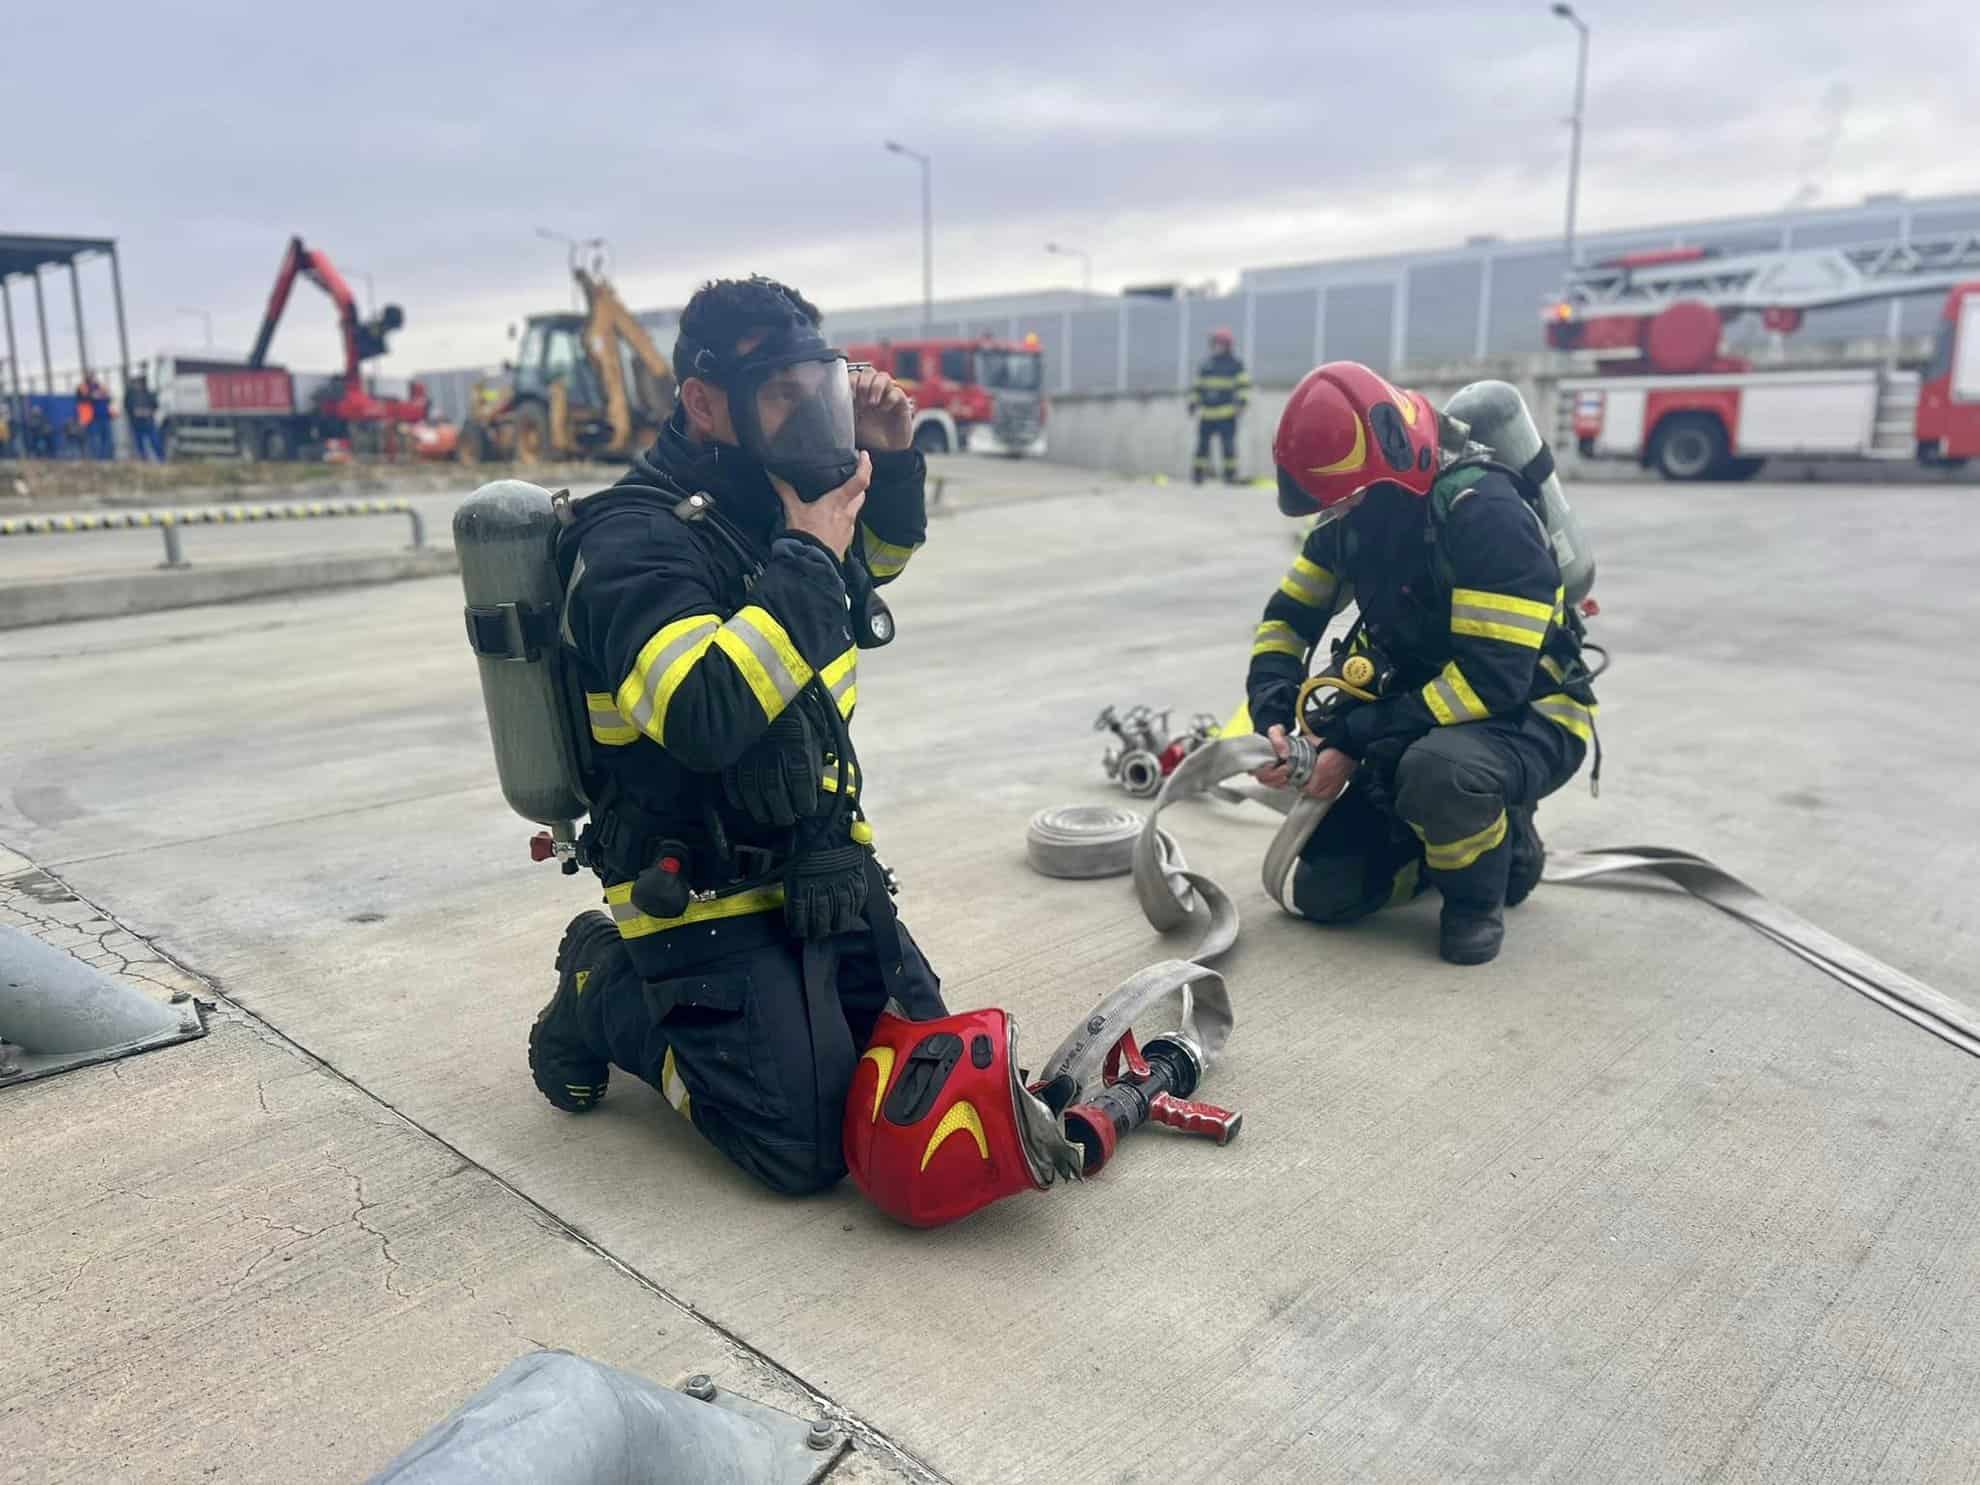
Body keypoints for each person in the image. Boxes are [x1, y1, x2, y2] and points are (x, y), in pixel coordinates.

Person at [527, 275, 948, 1196]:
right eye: (781, 395)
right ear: (705, 404)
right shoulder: (630, 537)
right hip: (695, 875)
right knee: (800, 1149)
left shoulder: (775, 501)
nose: (807, 416)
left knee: (925, 1066)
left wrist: (892, 459)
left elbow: (869, 566)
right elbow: (703, 713)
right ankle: (606, 989)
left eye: (817, 389)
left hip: (819, 857)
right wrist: (804, 551)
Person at [1247, 362, 1598, 966]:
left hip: (1529, 714)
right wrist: (1274, 705)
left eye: (1348, 496)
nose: (1339, 511)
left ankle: (1481, 895)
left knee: (1441, 773)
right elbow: (1289, 616)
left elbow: (1492, 682)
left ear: (1389, 467)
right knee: (1325, 892)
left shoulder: (1484, 514)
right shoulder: (1355, 515)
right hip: (1418, 712)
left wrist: (1352, 740)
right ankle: (1438, 847)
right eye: (1333, 502)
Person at [1188, 328, 1250, 485]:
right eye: (1216, 343)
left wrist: (1242, 402)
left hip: (1226, 414)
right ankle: (1197, 475)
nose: (1217, 347)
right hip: (1207, 414)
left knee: (1228, 446)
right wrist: (1193, 403)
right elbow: (1198, 387)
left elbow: (1243, 386)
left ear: (1228, 345)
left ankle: (1230, 476)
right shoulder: (1206, 365)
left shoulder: (1236, 365)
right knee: (1202, 447)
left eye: (1221, 344)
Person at [126, 369, 164, 462]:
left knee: (155, 442)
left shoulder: (148, 392)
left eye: (140, 381)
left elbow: (155, 405)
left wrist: (149, 411)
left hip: (148, 422)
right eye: (136, 381)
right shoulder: (130, 394)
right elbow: (127, 407)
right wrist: (134, 412)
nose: (138, 383)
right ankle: (144, 460)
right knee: (140, 444)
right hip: (137, 423)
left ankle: (161, 459)